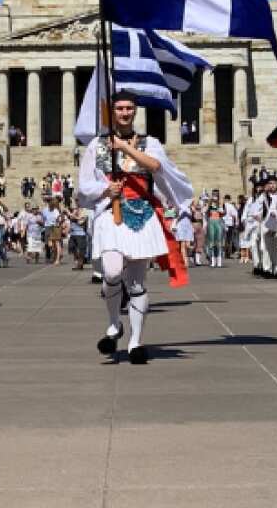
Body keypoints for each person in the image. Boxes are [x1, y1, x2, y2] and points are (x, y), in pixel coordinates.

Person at [78, 90, 191, 364]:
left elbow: (155, 166)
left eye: (129, 108)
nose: (125, 113)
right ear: (112, 112)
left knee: (138, 282)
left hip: (141, 213)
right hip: (111, 213)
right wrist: (107, 188)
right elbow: (84, 184)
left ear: (135, 111)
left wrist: (126, 148)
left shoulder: (149, 142)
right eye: (120, 109)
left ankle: (135, 342)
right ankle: (114, 323)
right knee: (113, 270)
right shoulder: (97, 144)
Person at [42, 197, 63, 266]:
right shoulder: (45, 210)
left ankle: (57, 259)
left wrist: (58, 223)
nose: (50, 203)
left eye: (51, 202)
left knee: (57, 243)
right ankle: (55, 256)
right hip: (48, 227)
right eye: (49, 202)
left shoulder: (56, 211)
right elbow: (44, 218)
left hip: (55, 227)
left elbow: (59, 219)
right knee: (50, 244)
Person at [68, 204, 89, 271]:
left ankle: (79, 264)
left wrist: (75, 217)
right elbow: (71, 218)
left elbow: (81, 222)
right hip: (73, 233)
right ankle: (77, 263)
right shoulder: (75, 211)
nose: (76, 205)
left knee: (81, 251)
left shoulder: (85, 211)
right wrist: (74, 215)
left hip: (81, 234)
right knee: (72, 248)